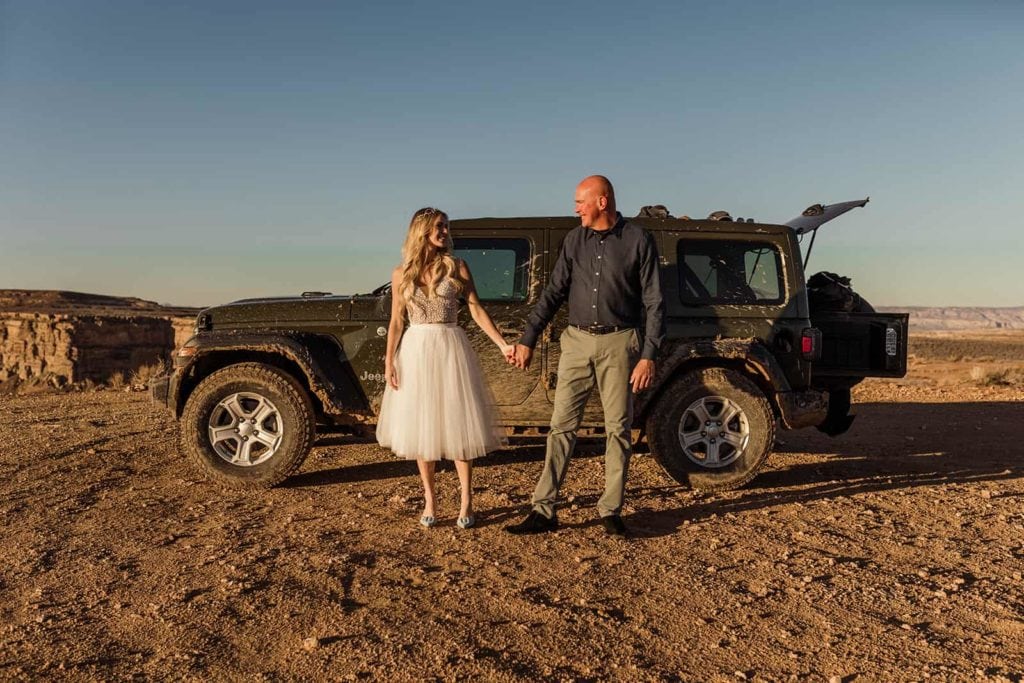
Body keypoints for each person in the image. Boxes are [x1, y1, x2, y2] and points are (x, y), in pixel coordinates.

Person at [505, 176, 665, 537]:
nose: (576, 208)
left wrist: (648, 355)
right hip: (575, 342)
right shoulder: (575, 240)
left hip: (620, 343)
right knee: (561, 426)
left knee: (618, 429)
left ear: (602, 202)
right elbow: (554, 291)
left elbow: (655, 302)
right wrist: (528, 337)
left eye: (581, 201)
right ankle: (543, 510)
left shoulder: (638, 240)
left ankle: (611, 510)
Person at [376, 207, 514, 529]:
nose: (445, 232)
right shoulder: (402, 273)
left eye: (446, 227)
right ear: (422, 230)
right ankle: (430, 499)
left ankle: (466, 499)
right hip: (415, 350)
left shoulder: (456, 267)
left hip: (450, 346)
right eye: (439, 226)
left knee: (458, 424)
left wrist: (502, 343)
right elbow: (396, 320)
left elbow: (477, 310)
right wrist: (389, 360)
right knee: (421, 429)